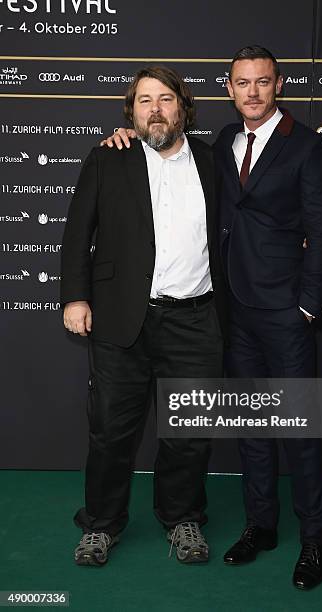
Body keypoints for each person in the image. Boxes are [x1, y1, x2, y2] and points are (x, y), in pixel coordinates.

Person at [105, 45, 322, 590]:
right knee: (253, 430)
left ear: (277, 85)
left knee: (298, 430)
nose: (252, 92)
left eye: (262, 82)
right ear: (228, 89)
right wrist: (120, 138)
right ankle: (261, 526)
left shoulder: (308, 147)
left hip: (286, 313)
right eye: (241, 83)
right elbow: (157, 146)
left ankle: (313, 540)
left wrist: (307, 304)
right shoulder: (221, 146)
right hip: (232, 312)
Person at [60, 66, 227, 567]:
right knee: (111, 431)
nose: (156, 109)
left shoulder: (212, 160)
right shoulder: (107, 158)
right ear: (131, 113)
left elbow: (250, 217)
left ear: (183, 108)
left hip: (195, 321)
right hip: (119, 321)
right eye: (145, 100)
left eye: (166, 99)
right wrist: (75, 297)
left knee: (189, 433)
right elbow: (76, 234)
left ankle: (182, 520)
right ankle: (101, 525)